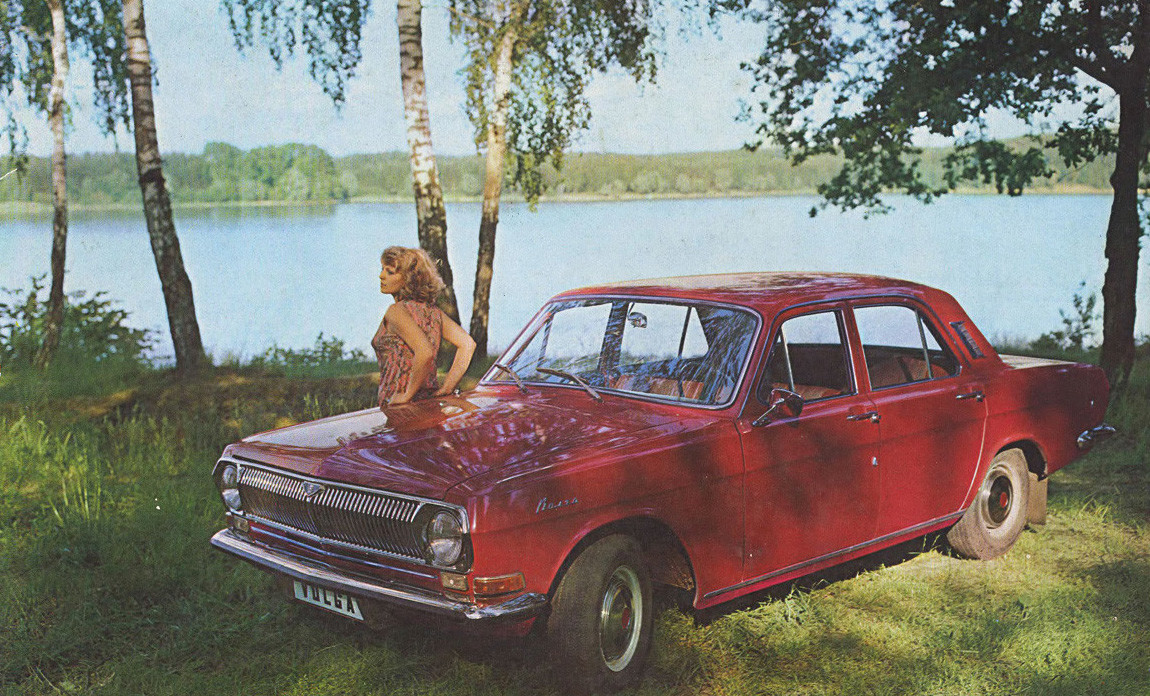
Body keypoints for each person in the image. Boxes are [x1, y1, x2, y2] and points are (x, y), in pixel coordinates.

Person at [372, 246, 476, 407]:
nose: (381, 276)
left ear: (408, 278)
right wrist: (447, 387)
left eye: (390, 272)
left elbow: (425, 351)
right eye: (382, 269)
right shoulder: (433, 312)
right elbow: (467, 344)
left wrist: (407, 395)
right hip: (429, 404)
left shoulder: (396, 312)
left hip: (400, 406)